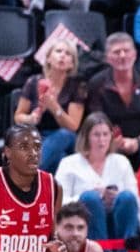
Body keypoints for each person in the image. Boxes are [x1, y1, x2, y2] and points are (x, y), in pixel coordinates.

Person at [55, 112, 140, 241]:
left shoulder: (121, 161)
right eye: (96, 135)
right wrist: (83, 197)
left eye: (105, 134)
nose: (102, 140)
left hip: (117, 219)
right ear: (86, 137)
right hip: (84, 224)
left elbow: (135, 200)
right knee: (91, 198)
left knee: (127, 197)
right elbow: (58, 202)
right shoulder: (69, 163)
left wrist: (115, 198)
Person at [85, 33, 140, 162]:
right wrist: (114, 140)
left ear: (135, 54)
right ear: (107, 58)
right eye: (117, 52)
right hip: (109, 142)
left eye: (126, 51)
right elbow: (96, 122)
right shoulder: (97, 83)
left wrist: (138, 141)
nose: (122, 55)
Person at [12, 36, 86, 171]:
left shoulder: (77, 86)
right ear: (49, 58)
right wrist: (31, 118)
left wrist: (55, 108)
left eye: (68, 54)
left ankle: (28, 170)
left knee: (63, 135)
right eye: (58, 51)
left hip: (66, 138)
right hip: (37, 136)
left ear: (72, 64)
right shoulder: (33, 82)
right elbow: (18, 116)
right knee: (59, 158)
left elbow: (73, 126)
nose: (62, 56)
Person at [43, 201, 107, 252]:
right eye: (69, 227)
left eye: (80, 228)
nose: (75, 234)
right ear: (56, 227)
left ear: (87, 230)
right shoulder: (43, 249)